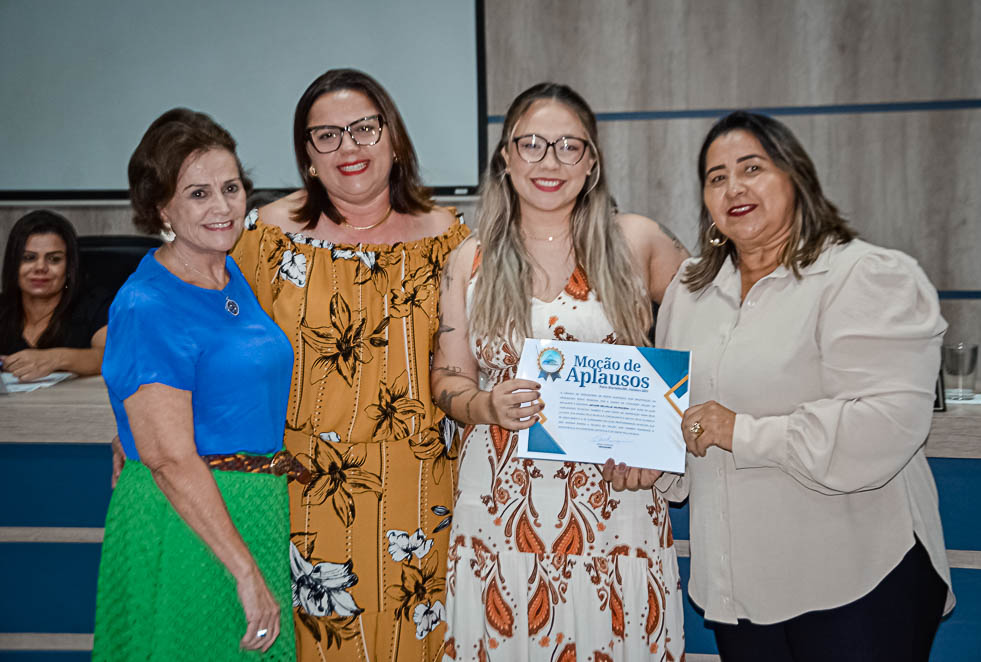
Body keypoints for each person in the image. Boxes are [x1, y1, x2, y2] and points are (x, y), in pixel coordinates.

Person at [625, 111, 952, 661]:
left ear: (796, 178)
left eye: (752, 167)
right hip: (738, 589)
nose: (734, 187)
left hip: (855, 580)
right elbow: (684, 422)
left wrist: (741, 432)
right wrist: (653, 463)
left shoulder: (865, 274)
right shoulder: (689, 291)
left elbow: (886, 427)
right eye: (716, 176)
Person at [432, 83, 689, 661]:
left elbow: (714, 337)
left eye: (569, 146)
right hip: (501, 508)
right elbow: (449, 378)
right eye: (532, 144)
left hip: (615, 506)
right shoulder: (468, 259)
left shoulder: (636, 241)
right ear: (505, 156)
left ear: (592, 162)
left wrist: (664, 443)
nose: (550, 162)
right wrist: (485, 405)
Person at [229, 69, 470, 661]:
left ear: (393, 139)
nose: (350, 148)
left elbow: (487, 353)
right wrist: (138, 421)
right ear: (307, 157)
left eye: (364, 128)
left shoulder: (451, 239)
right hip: (305, 492)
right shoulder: (265, 236)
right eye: (327, 136)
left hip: (423, 493)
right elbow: (209, 340)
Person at [93, 108, 297, 660]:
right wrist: (244, 571)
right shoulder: (148, 302)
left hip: (253, 509)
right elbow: (170, 460)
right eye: (199, 194)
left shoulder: (231, 274)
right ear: (161, 207)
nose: (223, 206)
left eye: (230, 188)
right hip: (191, 524)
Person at [0, 210, 109, 380]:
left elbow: (109, 357)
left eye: (54, 259)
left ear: (69, 267)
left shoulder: (94, 305)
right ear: (13, 263)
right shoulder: (3, 308)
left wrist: (55, 359)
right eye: (28, 258)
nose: (40, 267)